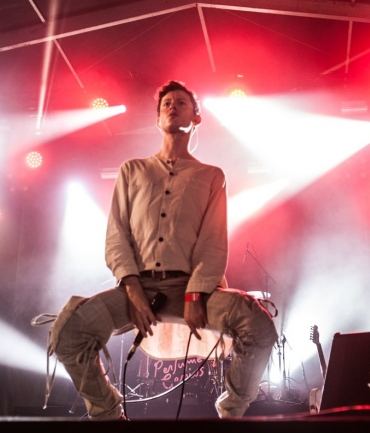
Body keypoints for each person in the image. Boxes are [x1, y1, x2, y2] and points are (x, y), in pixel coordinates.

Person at [48, 80, 278, 420]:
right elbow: (117, 235)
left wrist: (196, 293)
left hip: (191, 289)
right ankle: (108, 414)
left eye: (182, 102)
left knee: (259, 326)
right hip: (136, 289)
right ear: (158, 119)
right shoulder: (132, 170)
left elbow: (213, 241)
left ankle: (230, 413)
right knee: (69, 333)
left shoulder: (211, 176)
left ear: (196, 118)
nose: (172, 106)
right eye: (167, 103)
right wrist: (134, 291)